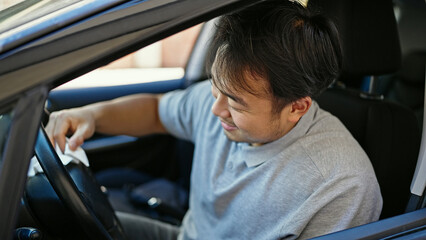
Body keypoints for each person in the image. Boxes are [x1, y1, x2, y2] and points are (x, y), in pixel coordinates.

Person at [46, 0, 383, 239]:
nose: (215, 109)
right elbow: (155, 111)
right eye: (216, 89)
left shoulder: (339, 184)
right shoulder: (226, 97)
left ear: (297, 106)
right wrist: (90, 115)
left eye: (235, 102)